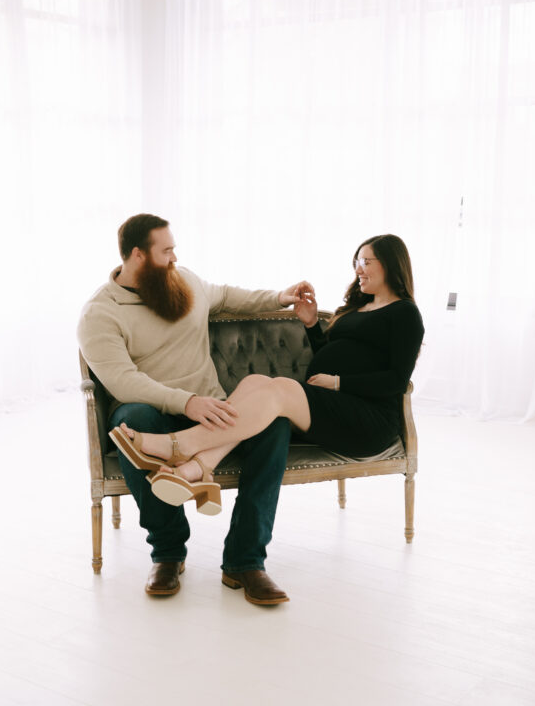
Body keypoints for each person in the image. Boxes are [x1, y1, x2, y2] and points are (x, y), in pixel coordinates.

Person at [112, 235, 425, 584]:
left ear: (392, 265)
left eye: (368, 262)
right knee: (254, 382)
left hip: (367, 420)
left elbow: (397, 380)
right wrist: (310, 325)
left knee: (282, 390)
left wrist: (338, 383)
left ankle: (181, 445)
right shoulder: (355, 308)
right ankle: (198, 469)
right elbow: (333, 352)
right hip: (332, 407)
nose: (359, 269)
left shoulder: (405, 314)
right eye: (357, 261)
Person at [78, 213, 313, 606]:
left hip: (211, 409)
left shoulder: (183, 280)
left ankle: (245, 560)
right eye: (165, 250)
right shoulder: (100, 313)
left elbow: (225, 295)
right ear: (137, 255)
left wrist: (279, 297)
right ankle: (168, 553)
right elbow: (122, 381)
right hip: (150, 413)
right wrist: (186, 402)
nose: (174, 257)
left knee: (274, 425)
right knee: (130, 423)